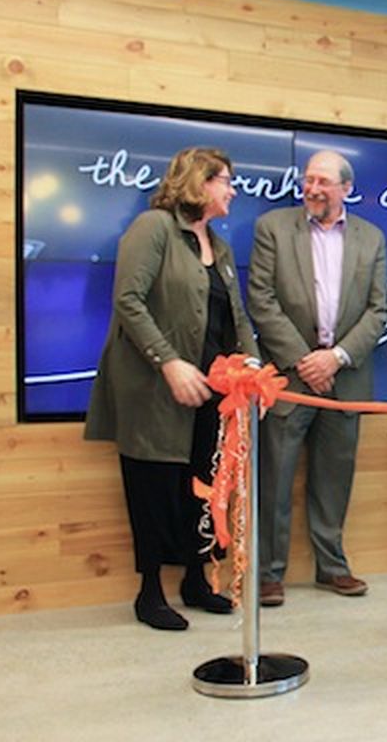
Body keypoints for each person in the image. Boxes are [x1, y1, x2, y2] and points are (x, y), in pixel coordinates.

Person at [85, 146, 259, 630]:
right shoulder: (154, 228)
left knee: (201, 488)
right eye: (226, 180)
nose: (232, 190)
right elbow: (128, 300)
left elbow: (237, 319)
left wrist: (254, 372)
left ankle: (196, 582)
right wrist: (170, 363)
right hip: (154, 389)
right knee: (153, 488)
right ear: (201, 181)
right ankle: (149, 592)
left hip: (210, 392)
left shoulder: (219, 247)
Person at [247, 150, 387, 607]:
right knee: (275, 476)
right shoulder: (274, 227)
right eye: (309, 179)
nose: (313, 188)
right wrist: (305, 359)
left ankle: (332, 567)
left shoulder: (372, 238)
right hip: (289, 379)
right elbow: (262, 299)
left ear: (346, 188)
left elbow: (377, 310)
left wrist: (337, 358)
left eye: (324, 181)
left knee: (334, 477)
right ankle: (269, 574)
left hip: (344, 379)